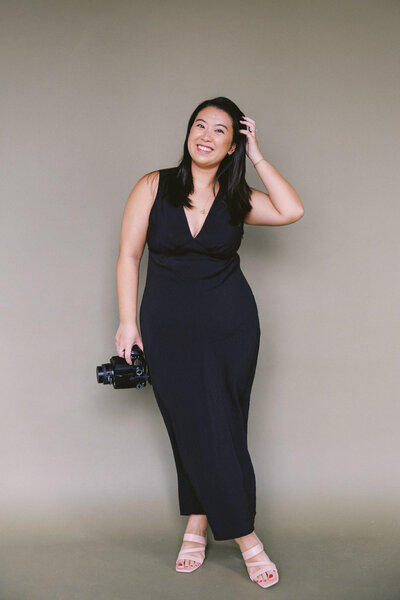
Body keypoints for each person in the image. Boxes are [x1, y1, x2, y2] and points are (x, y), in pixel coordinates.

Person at [115, 96, 304, 589]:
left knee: (223, 424)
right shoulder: (153, 185)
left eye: (221, 130)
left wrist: (258, 155)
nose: (206, 135)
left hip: (230, 326)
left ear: (232, 144)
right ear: (188, 133)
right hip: (167, 327)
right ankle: (235, 533)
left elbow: (291, 210)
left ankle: (219, 529)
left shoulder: (238, 197)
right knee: (188, 424)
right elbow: (129, 257)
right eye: (200, 125)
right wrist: (126, 323)